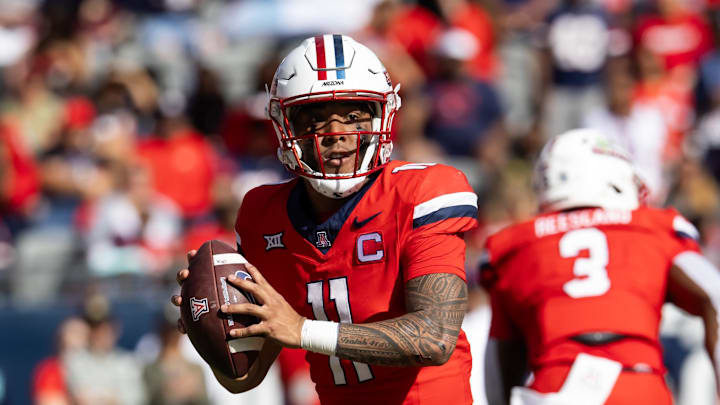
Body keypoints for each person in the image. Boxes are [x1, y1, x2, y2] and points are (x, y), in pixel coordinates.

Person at [171, 34, 479, 405]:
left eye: (352, 116)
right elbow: (243, 380)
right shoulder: (261, 214)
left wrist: (302, 330)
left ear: (382, 116)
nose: (336, 135)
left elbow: (433, 338)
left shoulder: (423, 190)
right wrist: (211, 327)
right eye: (315, 121)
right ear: (285, 126)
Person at [480, 128, 720, 405]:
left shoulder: (514, 245)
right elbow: (713, 292)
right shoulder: (654, 227)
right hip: (637, 387)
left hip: (553, 390)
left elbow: (502, 354)